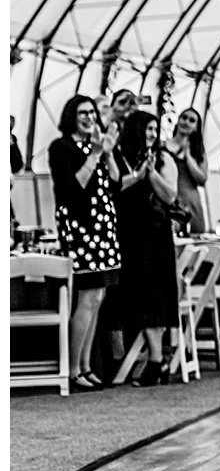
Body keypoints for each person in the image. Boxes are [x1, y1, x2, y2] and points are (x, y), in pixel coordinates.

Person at [46, 96, 123, 390]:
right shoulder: (61, 148)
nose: (89, 117)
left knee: (98, 298)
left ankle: (87, 365)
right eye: (82, 113)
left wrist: (108, 153)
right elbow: (73, 187)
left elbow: (115, 182)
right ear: (70, 116)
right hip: (81, 228)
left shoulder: (97, 145)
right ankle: (74, 368)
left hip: (103, 228)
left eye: (92, 112)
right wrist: (93, 155)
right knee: (87, 297)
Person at [111, 109, 180, 386]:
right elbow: (113, 188)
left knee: (153, 296)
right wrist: (136, 175)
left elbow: (170, 196)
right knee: (129, 295)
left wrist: (150, 174)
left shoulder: (164, 159)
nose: (152, 134)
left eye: (155, 129)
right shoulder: (117, 157)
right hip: (126, 233)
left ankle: (155, 360)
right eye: (147, 129)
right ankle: (120, 357)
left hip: (154, 234)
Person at [169, 107, 209, 234]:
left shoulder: (199, 152)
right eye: (184, 118)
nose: (186, 122)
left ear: (196, 127)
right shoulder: (162, 146)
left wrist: (189, 158)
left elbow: (202, 179)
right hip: (170, 200)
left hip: (191, 203)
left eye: (192, 120)